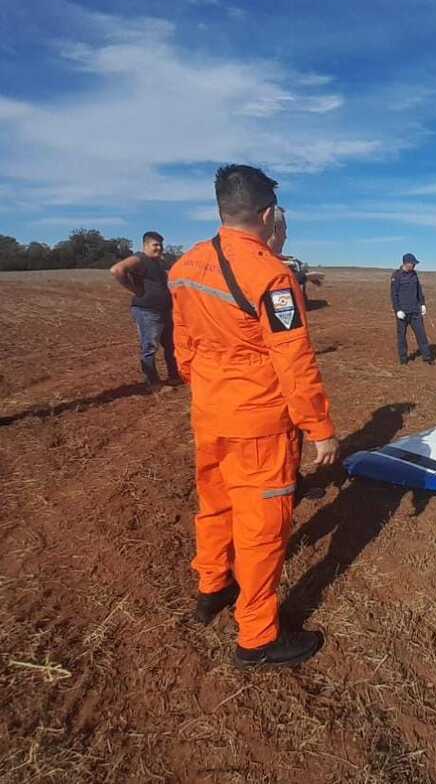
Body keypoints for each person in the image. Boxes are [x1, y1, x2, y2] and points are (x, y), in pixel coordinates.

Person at [169, 164, 340, 669]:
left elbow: (182, 348)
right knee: (263, 528)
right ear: (267, 215)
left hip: (209, 411)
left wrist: (209, 389)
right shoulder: (272, 274)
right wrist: (320, 428)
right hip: (258, 422)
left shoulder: (184, 267)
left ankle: (211, 586)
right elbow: (294, 359)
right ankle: (258, 636)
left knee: (215, 504)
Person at [110, 231, 181, 389]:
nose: (159, 248)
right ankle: (153, 383)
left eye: (161, 244)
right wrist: (134, 289)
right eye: (155, 244)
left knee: (171, 345)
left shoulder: (156, 263)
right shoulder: (140, 258)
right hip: (148, 311)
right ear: (145, 245)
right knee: (149, 347)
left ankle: (174, 376)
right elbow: (116, 270)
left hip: (164, 311)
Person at [390, 252, 433, 365]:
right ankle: (403, 359)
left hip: (415, 311)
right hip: (402, 313)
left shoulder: (414, 274)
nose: (414, 266)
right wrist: (397, 310)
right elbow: (394, 295)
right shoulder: (396, 275)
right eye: (413, 263)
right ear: (406, 263)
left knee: (421, 335)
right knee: (402, 337)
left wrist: (422, 304)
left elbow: (419, 290)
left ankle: (427, 357)